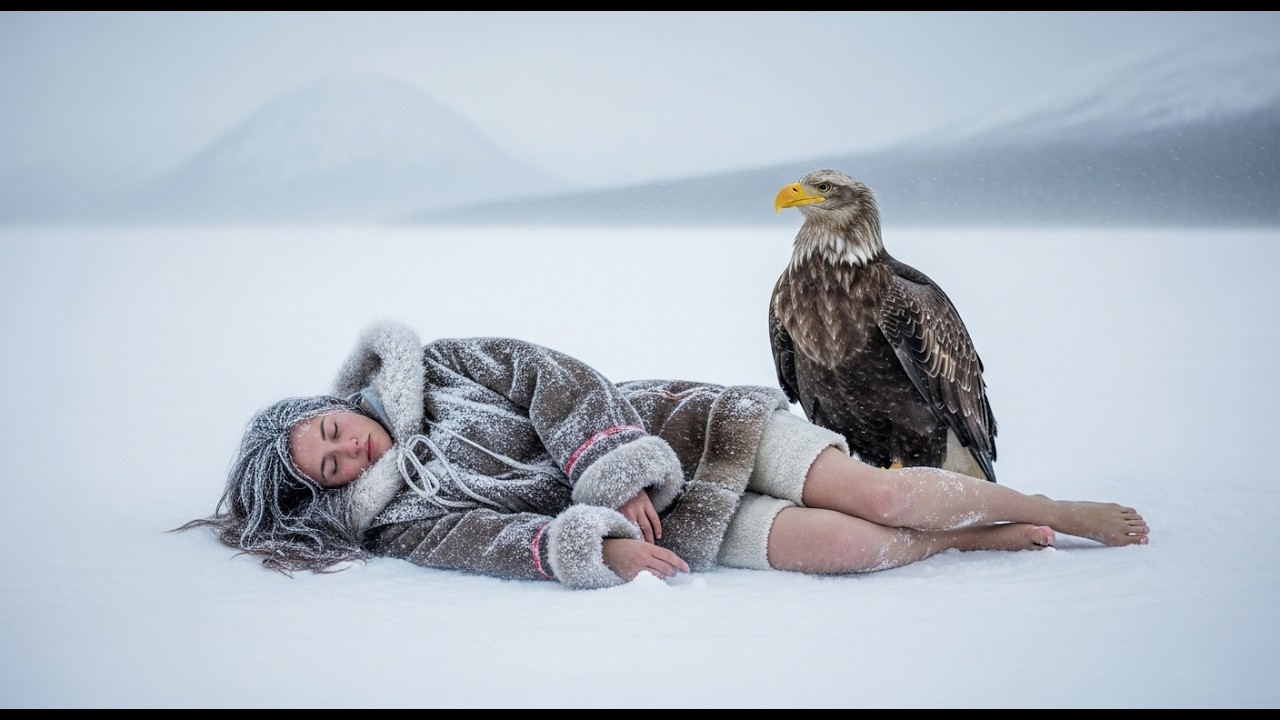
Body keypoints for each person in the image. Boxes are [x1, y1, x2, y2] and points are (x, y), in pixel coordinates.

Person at [180, 320, 1149, 589]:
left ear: (327, 407)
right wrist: (601, 542)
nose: (350, 449)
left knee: (877, 500)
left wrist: (616, 469)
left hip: (681, 430)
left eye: (331, 432)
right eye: (334, 469)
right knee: (853, 552)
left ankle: (1051, 510)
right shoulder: (403, 522)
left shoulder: (438, 366)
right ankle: (969, 541)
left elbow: (553, 376)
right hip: (685, 519)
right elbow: (489, 540)